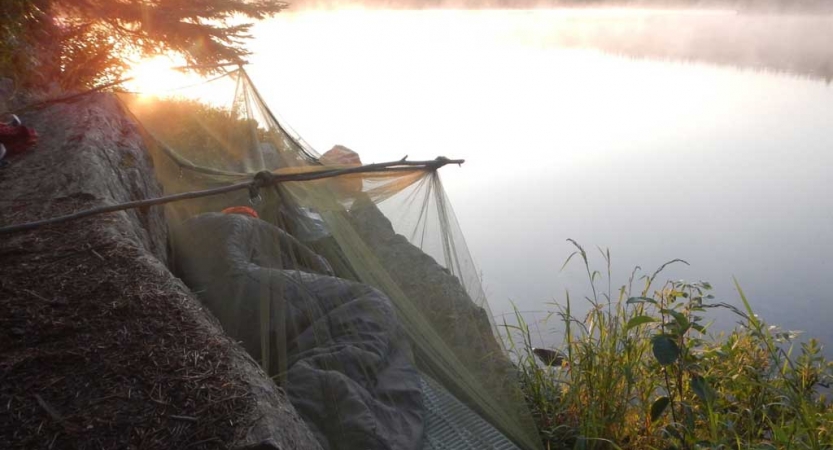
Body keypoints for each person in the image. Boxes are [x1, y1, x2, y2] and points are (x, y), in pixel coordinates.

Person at [172, 206, 424, 450]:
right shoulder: (244, 226)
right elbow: (314, 263)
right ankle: (324, 408)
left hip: (236, 301)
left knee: (346, 330)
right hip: (241, 290)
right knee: (369, 302)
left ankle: (330, 399)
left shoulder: (199, 233)